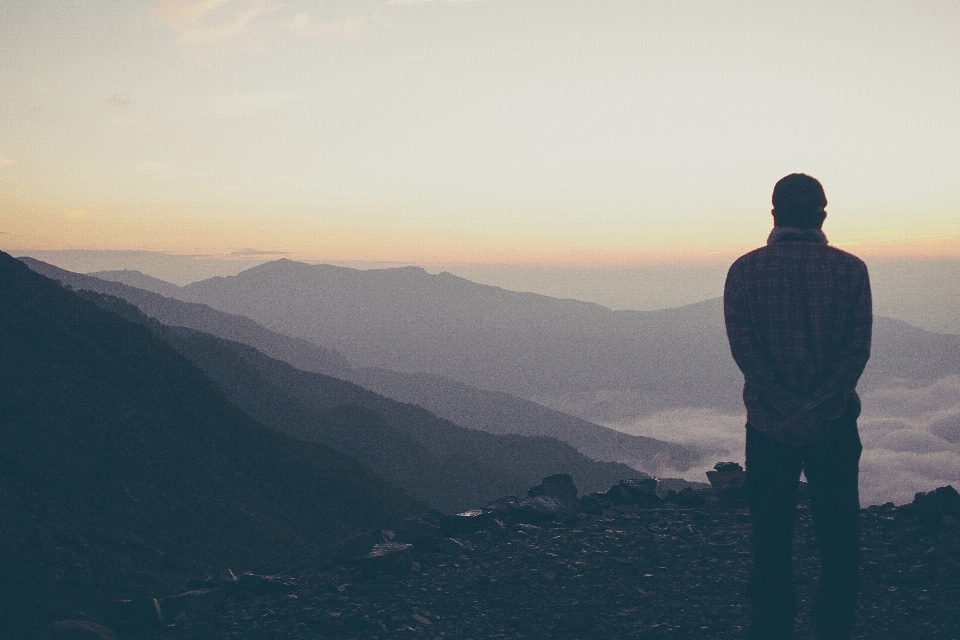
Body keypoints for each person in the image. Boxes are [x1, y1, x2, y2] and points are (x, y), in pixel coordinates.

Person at [723, 173, 872, 640]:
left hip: (768, 423)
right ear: (822, 214)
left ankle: (771, 624)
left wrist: (787, 407)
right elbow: (856, 351)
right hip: (834, 423)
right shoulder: (852, 270)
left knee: (771, 532)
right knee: (839, 531)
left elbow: (745, 352)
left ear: (774, 214)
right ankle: (834, 626)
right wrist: (819, 407)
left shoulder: (743, 270)